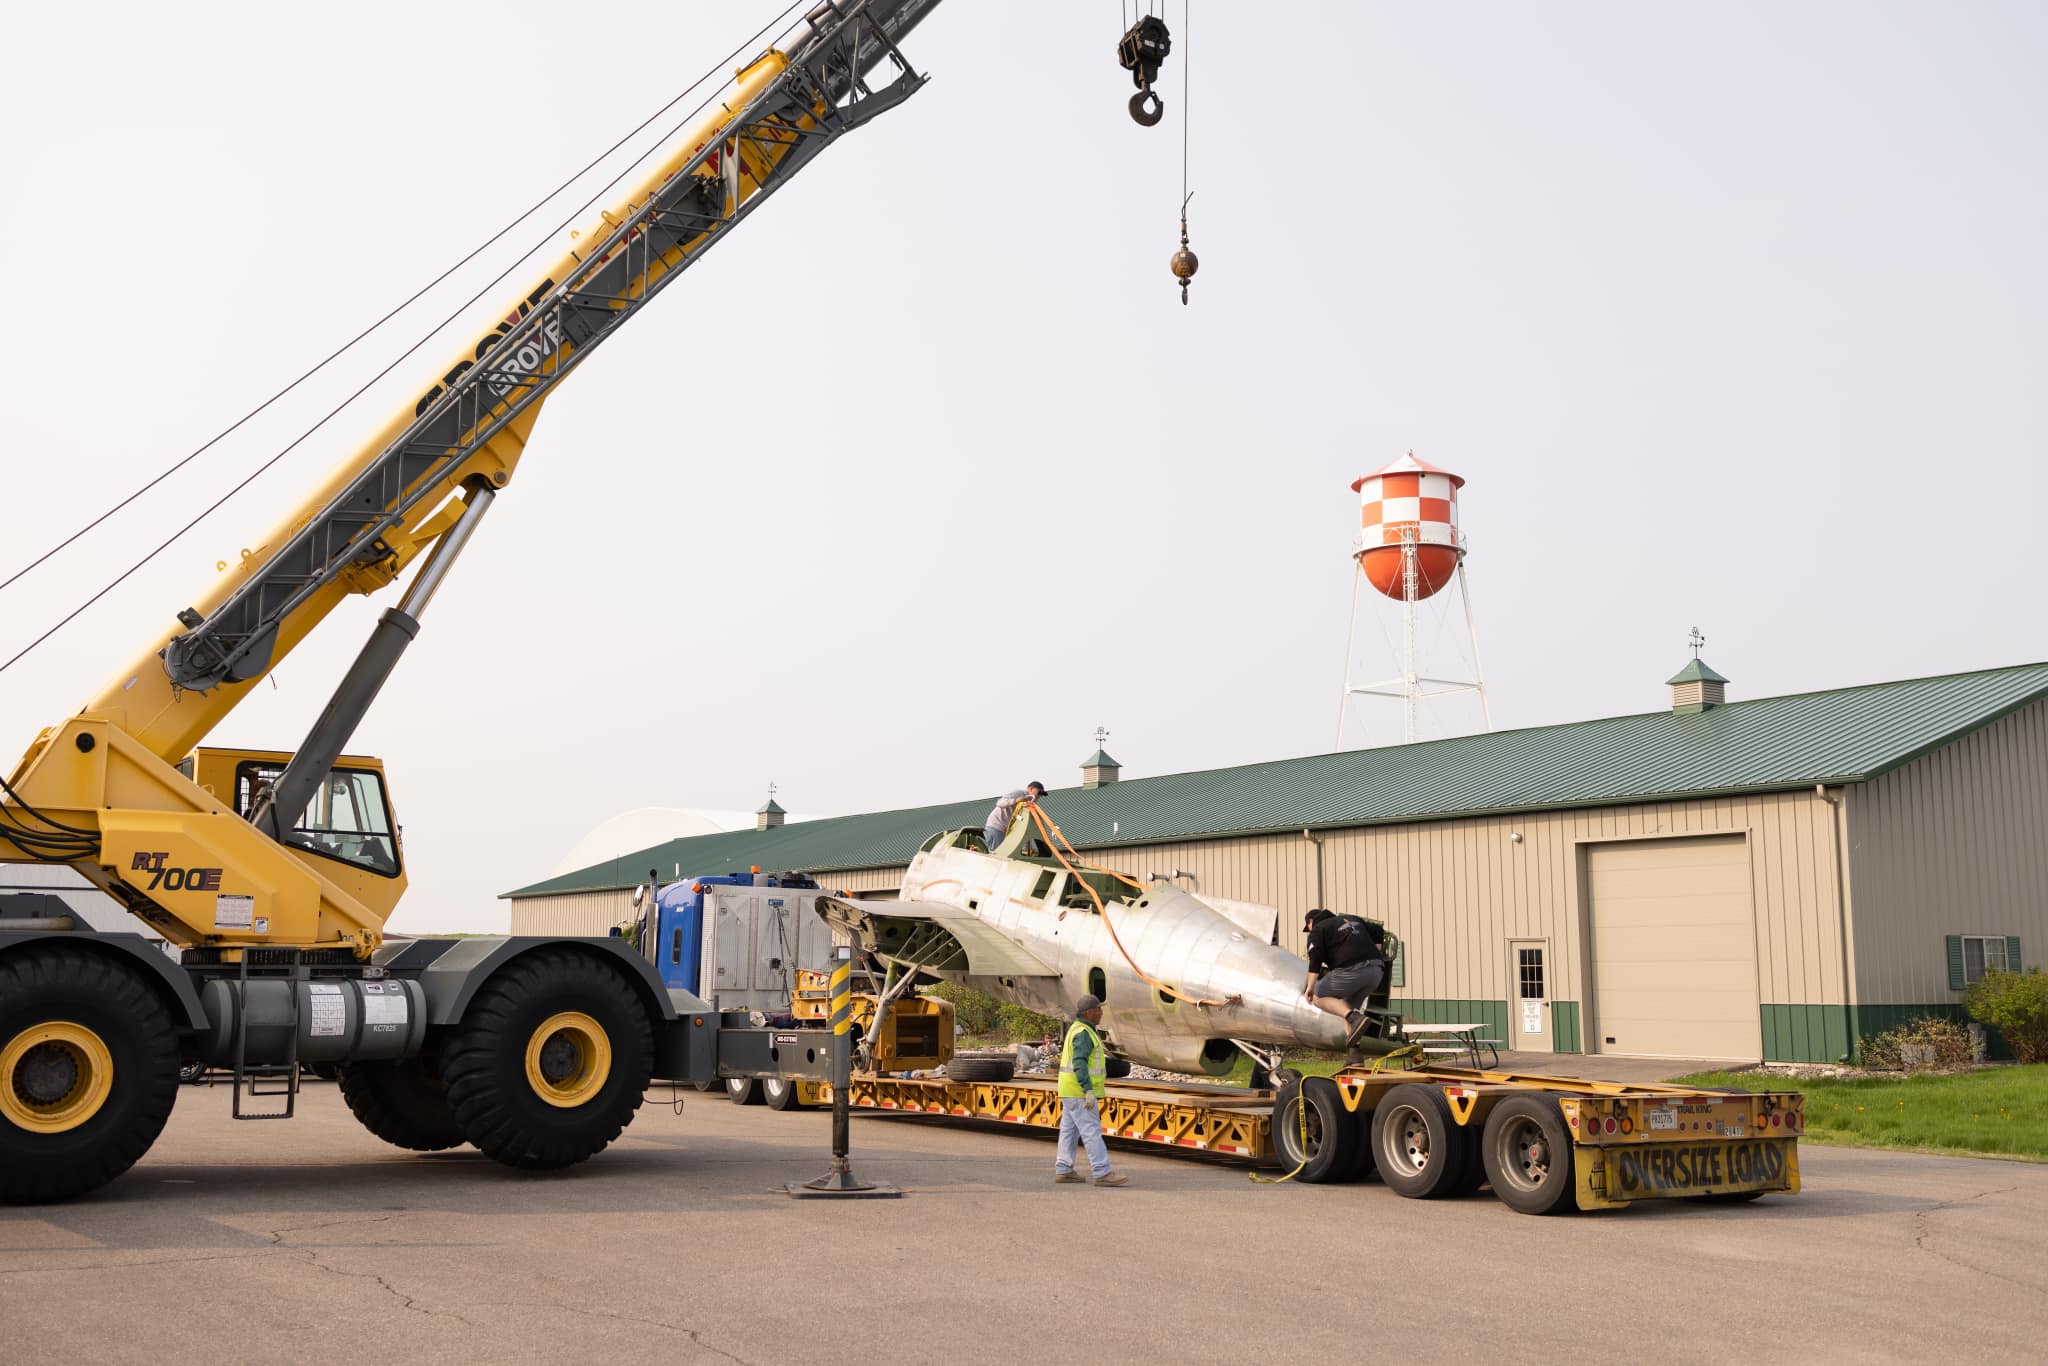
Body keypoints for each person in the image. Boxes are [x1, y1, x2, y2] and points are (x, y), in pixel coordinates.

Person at [1053, 994, 1128, 1186]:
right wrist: (1087, 1090)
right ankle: (1102, 1172)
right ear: (1090, 1012)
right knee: (1091, 1131)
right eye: (1098, 1009)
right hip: (1079, 1092)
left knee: (1069, 1131)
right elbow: (1079, 1062)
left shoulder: (1078, 1029)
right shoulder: (1084, 1033)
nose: (1101, 1013)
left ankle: (1064, 1169)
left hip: (1069, 1090)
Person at [1302, 908, 1390, 1065]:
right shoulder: (1351, 918)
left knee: (1317, 996)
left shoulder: (1318, 929)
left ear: (1311, 922)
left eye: (1308, 928)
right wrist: (1375, 951)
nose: (1309, 931)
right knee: (1347, 1006)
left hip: (1352, 970)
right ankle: (1355, 1056)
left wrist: (1310, 987)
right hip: (1376, 972)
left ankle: (1354, 1018)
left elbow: (1315, 960)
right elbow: (1378, 929)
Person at [981, 781, 1046, 851]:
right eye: (1038, 792)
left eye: (1041, 795)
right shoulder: (1019, 793)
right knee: (996, 853)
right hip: (996, 827)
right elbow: (999, 803)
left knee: (1005, 853)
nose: (1039, 796)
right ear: (1031, 789)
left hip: (1007, 831)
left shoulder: (1030, 802)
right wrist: (1016, 800)